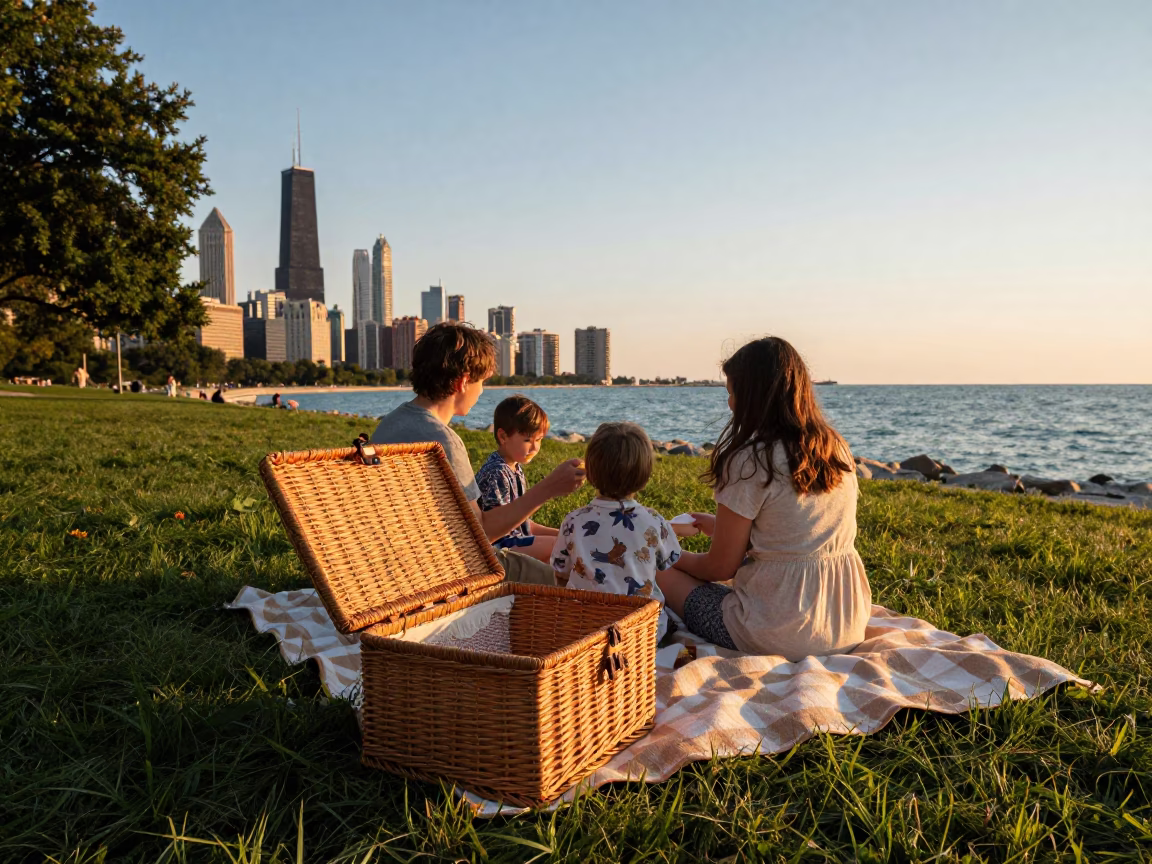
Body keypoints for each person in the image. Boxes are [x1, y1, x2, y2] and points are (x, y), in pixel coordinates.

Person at [656, 336, 872, 660]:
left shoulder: (751, 461)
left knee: (661, 571)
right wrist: (721, 528)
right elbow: (794, 531)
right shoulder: (835, 448)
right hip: (845, 625)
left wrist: (667, 553)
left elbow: (719, 567)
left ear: (753, 395)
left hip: (774, 634)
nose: (730, 403)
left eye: (732, 392)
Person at [370, 323, 585, 586]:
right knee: (573, 578)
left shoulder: (387, 425)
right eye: (481, 382)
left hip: (396, 566)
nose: (481, 391)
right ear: (462, 382)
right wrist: (550, 487)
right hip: (446, 571)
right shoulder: (442, 442)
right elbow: (481, 533)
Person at [551, 422, 682, 641]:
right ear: (645, 475)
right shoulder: (654, 520)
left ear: (590, 472)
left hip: (585, 630)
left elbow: (560, 570)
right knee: (662, 613)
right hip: (640, 632)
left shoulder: (573, 521)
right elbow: (668, 561)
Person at [475, 396, 559, 562]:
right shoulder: (497, 472)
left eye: (539, 440)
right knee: (561, 547)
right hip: (497, 548)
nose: (535, 447)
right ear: (503, 437)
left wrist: (563, 532)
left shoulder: (514, 468)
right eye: (527, 440)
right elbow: (497, 532)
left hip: (514, 540)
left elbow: (524, 525)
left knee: (566, 540)